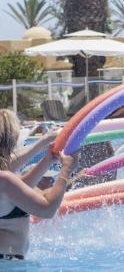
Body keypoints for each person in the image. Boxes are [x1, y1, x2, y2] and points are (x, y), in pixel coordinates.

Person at [0, 109, 79, 259]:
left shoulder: (5, 181)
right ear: (11, 140)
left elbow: (18, 188)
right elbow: (47, 210)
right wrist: (66, 170)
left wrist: (47, 160)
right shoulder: (4, 180)